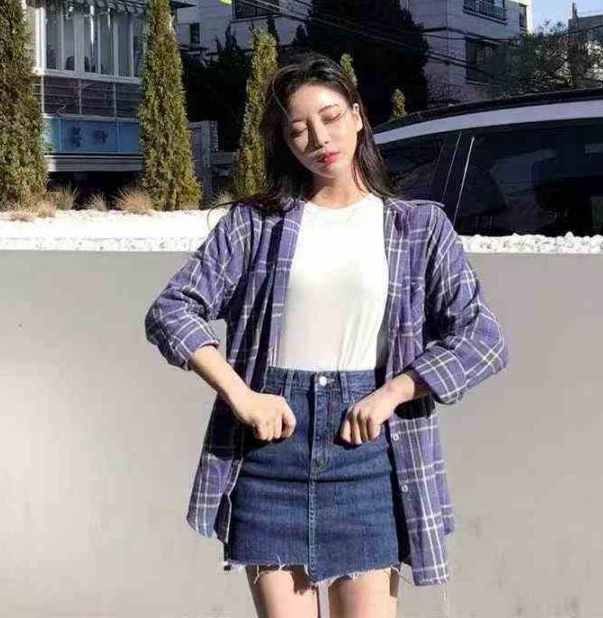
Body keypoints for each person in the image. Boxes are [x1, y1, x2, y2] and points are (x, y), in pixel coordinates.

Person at [144, 52, 510, 617]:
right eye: (299, 129)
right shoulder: (255, 224)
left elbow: (483, 337)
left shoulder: (417, 225)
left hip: (368, 453)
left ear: (358, 116)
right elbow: (172, 310)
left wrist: (394, 392)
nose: (319, 138)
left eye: (331, 117)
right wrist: (241, 395)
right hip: (271, 454)